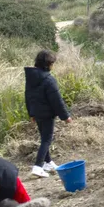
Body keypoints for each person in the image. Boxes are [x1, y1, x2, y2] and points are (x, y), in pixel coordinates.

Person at [24, 50, 72, 179]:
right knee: (47, 139)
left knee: (44, 137)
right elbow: (56, 100)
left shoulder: (31, 78)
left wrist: (31, 113)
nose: (53, 66)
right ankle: (38, 167)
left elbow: (28, 96)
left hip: (37, 113)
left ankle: (48, 163)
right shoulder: (49, 80)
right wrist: (65, 116)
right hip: (47, 114)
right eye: (52, 63)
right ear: (47, 64)